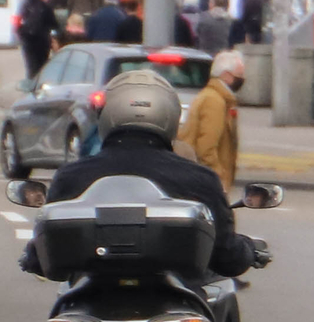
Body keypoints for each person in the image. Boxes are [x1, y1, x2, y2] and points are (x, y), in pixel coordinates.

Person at [24, 71, 255, 278]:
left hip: (87, 302)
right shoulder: (200, 179)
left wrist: (30, 257)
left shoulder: (71, 176)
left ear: (106, 114)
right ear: (170, 117)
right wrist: (249, 250)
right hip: (175, 305)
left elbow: (42, 255)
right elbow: (228, 258)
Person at [175, 50, 246, 194]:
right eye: (239, 75)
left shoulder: (217, 97)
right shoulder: (214, 101)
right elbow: (206, 148)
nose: (243, 79)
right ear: (226, 75)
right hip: (207, 183)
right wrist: (218, 178)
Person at [16, 0, 58, 81]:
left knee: (31, 65)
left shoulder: (24, 5)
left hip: (27, 41)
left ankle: (30, 82)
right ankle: (39, 83)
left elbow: (18, 21)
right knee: (42, 65)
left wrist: (21, 34)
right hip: (42, 41)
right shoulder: (46, 7)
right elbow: (54, 24)